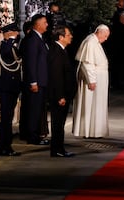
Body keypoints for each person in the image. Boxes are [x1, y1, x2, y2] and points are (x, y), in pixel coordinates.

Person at [72, 24, 110, 139]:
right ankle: (89, 131)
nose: (106, 39)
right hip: (93, 80)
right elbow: (87, 63)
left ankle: (96, 131)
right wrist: (91, 81)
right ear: (100, 32)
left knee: (97, 106)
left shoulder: (95, 41)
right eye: (106, 36)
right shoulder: (90, 42)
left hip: (99, 79)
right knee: (91, 105)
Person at [47, 25, 76, 157]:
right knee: (57, 123)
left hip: (63, 94)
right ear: (61, 37)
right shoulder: (56, 52)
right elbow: (56, 76)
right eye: (68, 35)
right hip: (59, 95)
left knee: (60, 123)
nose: (71, 37)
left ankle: (59, 148)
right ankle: (57, 149)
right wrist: (60, 96)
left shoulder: (61, 50)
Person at [22, 14, 50, 146]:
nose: (47, 25)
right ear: (37, 24)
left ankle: (36, 134)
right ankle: (32, 136)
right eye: (45, 22)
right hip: (36, 82)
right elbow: (31, 62)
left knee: (38, 110)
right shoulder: (33, 39)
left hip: (42, 81)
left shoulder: (40, 38)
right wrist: (33, 81)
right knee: (33, 110)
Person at [0, 22, 22, 156]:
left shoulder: (13, 46)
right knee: (6, 119)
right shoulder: (4, 46)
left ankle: (7, 146)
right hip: (6, 87)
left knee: (9, 118)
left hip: (13, 87)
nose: (18, 34)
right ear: (9, 33)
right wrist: (11, 40)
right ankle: (3, 147)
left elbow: (18, 57)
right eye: (15, 32)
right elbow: (7, 54)